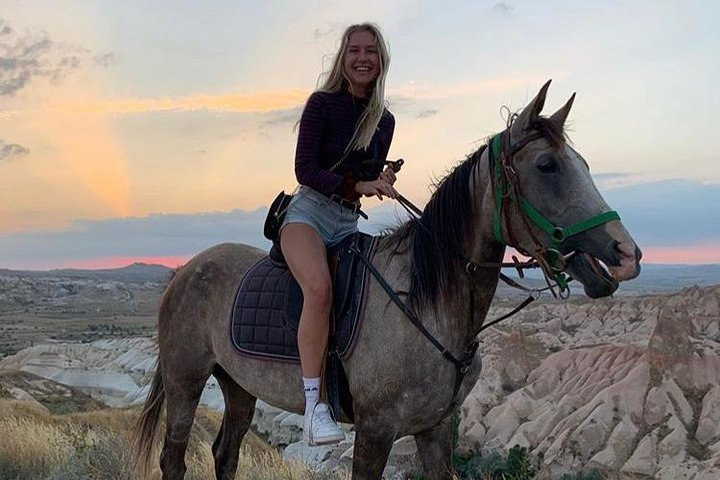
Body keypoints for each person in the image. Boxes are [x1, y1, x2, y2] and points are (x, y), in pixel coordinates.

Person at [279, 23, 398, 446]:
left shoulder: (385, 120)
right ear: (343, 59)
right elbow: (305, 170)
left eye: (371, 50)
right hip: (308, 214)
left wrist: (378, 178)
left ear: (381, 59)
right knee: (320, 289)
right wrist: (358, 186)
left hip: (349, 221)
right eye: (354, 51)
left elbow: (362, 175)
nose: (362, 57)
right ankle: (315, 408)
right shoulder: (322, 104)